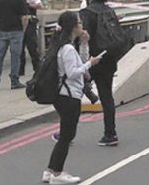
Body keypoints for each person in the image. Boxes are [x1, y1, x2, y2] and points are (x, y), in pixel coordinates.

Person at [42, 10, 103, 184]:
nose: (82, 25)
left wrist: (84, 45)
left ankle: (50, 171)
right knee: (67, 136)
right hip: (68, 96)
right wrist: (89, 64)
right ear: (73, 26)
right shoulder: (67, 48)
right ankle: (58, 174)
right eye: (79, 22)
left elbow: (79, 62)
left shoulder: (67, 46)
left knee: (65, 135)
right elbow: (73, 72)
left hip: (65, 95)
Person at [79, 0, 120, 146]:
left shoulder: (86, 13)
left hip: (92, 60)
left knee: (71, 96)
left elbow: (82, 36)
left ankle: (64, 133)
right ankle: (110, 133)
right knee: (107, 96)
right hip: (108, 58)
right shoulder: (109, 11)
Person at [16, 0, 43, 77]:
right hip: (19, 24)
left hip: (30, 25)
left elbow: (40, 5)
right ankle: (20, 70)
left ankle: (37, 69)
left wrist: (28, 5)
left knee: (32, 48)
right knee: (20, 49)